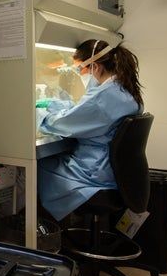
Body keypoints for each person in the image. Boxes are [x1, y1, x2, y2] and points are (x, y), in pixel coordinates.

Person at [37, 39, 143, 222]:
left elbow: (64, 123)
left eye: (80, 69)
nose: (80, 74)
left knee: (38, 166)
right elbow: (83, 113)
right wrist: (56, 105)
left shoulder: (104, 97)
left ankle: (42, 229)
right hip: (116, 173)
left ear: (95, 66)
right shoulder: (122, 89)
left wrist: (40, 115)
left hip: (94, 174)